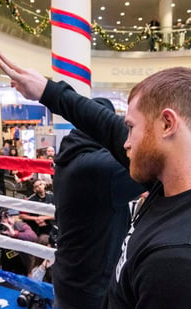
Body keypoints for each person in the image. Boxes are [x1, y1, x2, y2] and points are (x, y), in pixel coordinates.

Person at [0, 51, 191, 308]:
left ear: (167, 125)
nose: (125, 143)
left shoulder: (183, 263)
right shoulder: (176, 187)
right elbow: (107, 127)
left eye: (131, 128)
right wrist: (47, 91)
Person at [52, 97, 146, 308]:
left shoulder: (71, 157)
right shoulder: (98, 169)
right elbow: (154, 170)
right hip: (91, 288)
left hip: (71, 276)